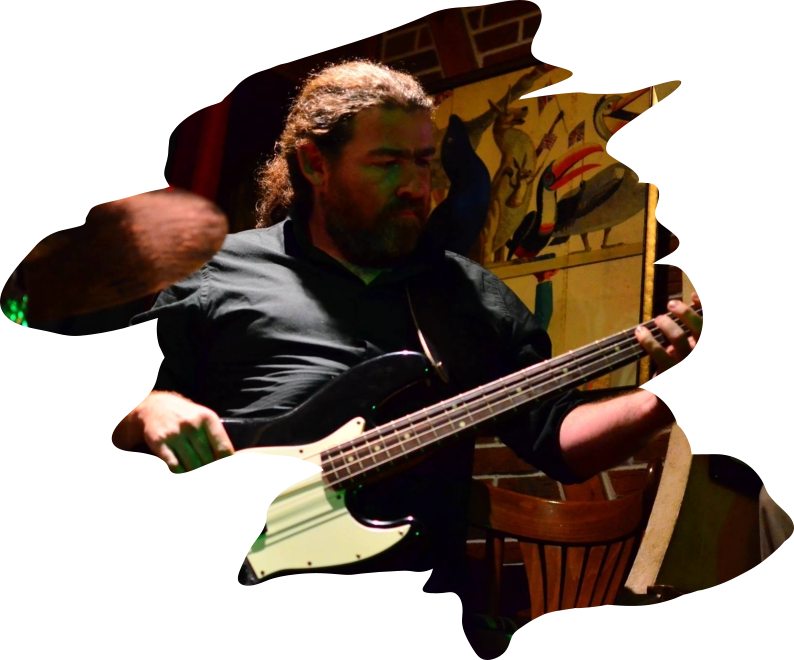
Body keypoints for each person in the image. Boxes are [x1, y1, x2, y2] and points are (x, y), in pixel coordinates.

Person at [112, 60, 702, 603]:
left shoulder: (469, 294)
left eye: (423, 162)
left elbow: (560, 440)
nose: (417, 187)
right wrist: (153, 404)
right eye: (387, 162)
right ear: (315, 164)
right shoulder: (220, 271)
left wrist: (664, 399)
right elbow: (115, 393)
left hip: (412, 602)